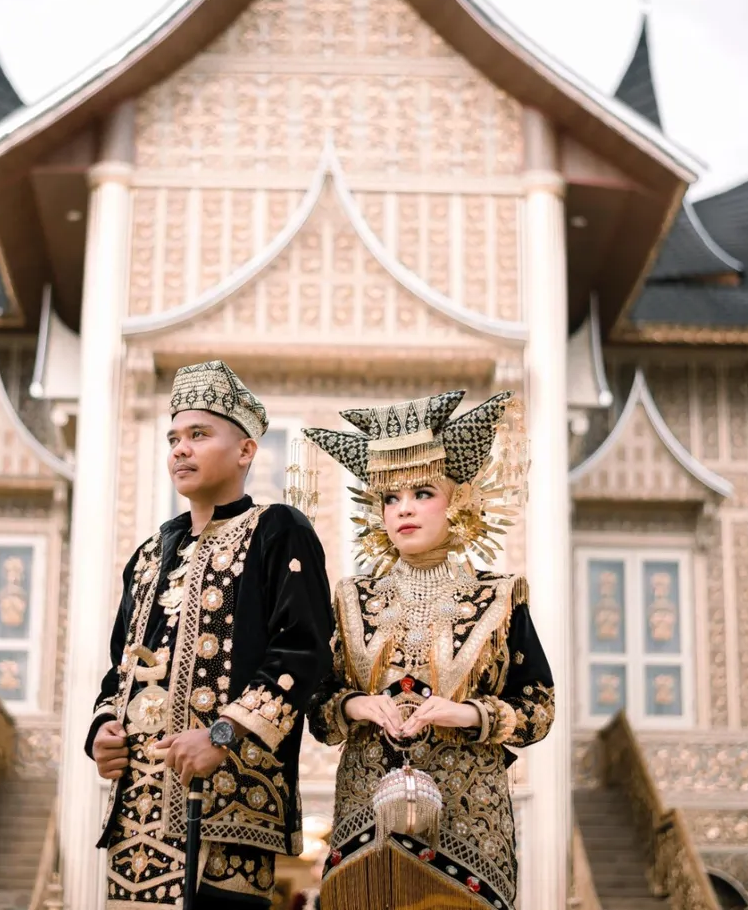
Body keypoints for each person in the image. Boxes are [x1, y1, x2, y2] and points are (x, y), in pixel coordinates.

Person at [86, 360, 335, 909]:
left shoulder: (278, 530)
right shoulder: (150, 555)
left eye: (199, 434)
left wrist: (222, 735)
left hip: (228, 811)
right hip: (137, 813)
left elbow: (303, 650)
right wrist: (102, 729)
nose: (180, 449)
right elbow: (119, 667)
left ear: (246, 450)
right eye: (173, 438)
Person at [303, 389, 556, 910]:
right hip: (366, 815)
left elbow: (539, 708)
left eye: (422, 492)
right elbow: (318, 704)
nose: (404, 509)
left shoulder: (499, 597)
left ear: (459, 500)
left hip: (468, 823)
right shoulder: (352, 598)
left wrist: (468, 714)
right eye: (390, 498)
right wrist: (357, 705)